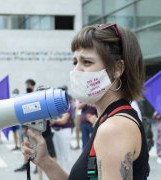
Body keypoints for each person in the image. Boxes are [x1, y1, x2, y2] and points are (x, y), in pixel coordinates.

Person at [21, 23, 150, 179]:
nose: (76, 71)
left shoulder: (114, 128)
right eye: (75, 62)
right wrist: (45, 161)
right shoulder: (108, 121)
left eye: (87, 62)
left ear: (117, 68)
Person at [14, 79, 36, 172]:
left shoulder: (35, 96)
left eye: (28, 84)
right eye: (26, 84)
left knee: (34, 146)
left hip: (32, 126)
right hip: (24, 125)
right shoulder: (24, 96)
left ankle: (37, 166)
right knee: (24, 145)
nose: (27, 86)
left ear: (32, 85)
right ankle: (25, 164)